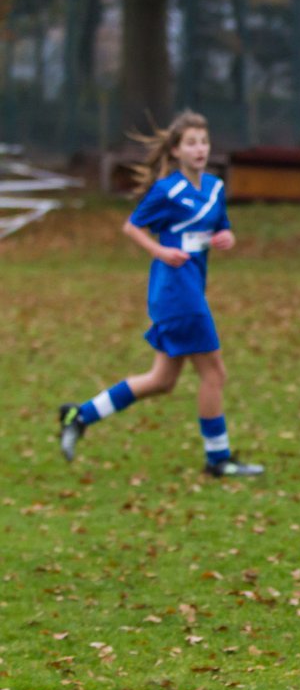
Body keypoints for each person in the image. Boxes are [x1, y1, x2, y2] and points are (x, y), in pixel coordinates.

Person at [57, 111, 263, 478]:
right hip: (175, 292)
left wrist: (226, 238)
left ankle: (80, 415)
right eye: (191, 143)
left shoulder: (215, 188)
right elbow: (131, 226)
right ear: (176, 150)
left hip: (191, 288)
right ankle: (218, 459)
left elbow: (221, 228)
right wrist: (160, 252)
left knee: (162, 381)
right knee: (214, 374)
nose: (200, 149)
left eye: (204, 141)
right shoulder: (166, 190)